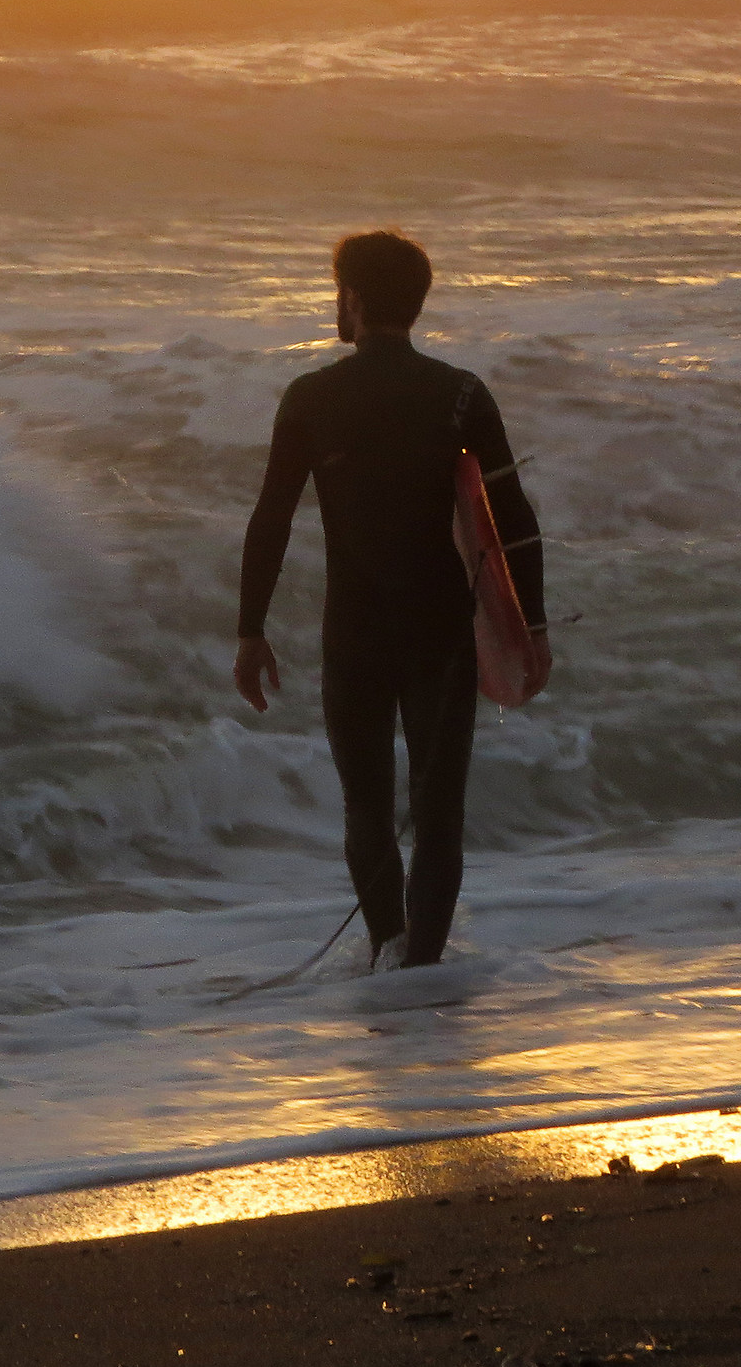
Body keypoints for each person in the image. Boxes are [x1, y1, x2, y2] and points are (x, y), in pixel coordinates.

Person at [233, 230, 549, 970]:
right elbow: (514, 521)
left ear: (351, 298)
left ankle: (386, 953)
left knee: (366, 806)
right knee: (439, 813)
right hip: (441, 628)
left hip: (355, 631)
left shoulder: (311, 398)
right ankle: (423, 972)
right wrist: (530, 627)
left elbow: (271, 517)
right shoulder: (460, 393)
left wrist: (251, 631)